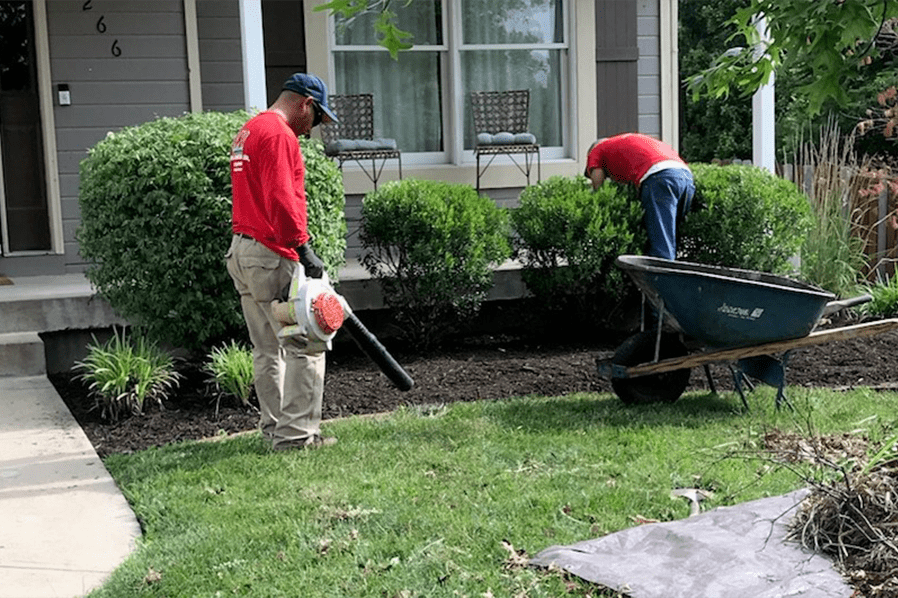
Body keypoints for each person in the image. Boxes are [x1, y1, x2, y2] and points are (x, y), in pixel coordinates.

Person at [226, 73, 340, 451]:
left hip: (242, 251)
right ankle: (296, 437)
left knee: (266, 349)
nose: (312, 131)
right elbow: (279, 198)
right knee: (306, 342)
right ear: (306, 103)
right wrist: (303, 249)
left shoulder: (250, 130)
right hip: (271, 253)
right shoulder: (278, 134)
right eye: (317, 119)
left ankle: (276, 429)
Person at [584, 133, 695, 261]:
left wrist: (598, 203)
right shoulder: (628, 142)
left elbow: (598, 185)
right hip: (685, 176)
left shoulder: (597, 149)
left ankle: (661, 279)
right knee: (671, 237)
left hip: (659, 177)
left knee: (661, 245)